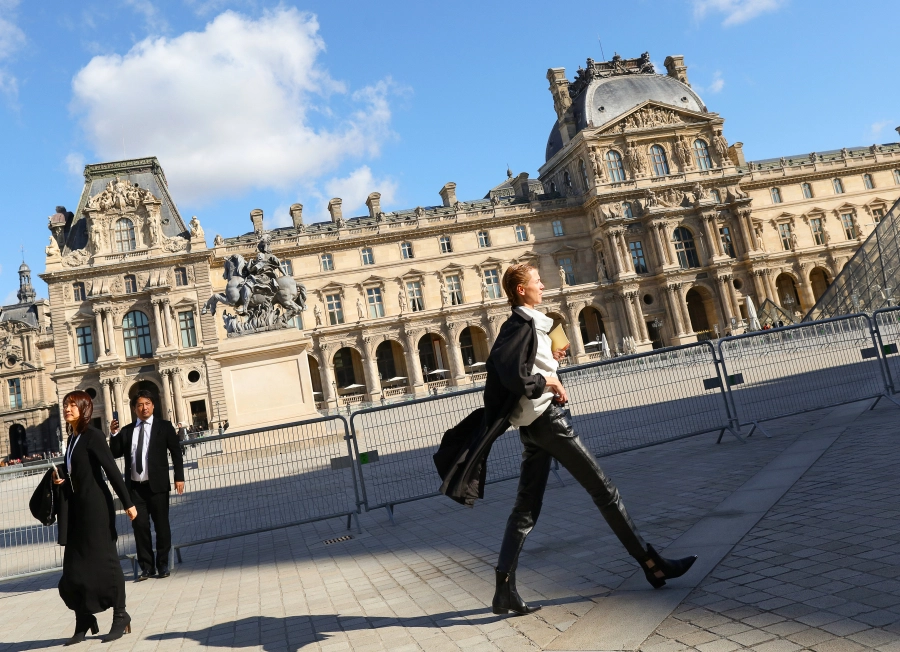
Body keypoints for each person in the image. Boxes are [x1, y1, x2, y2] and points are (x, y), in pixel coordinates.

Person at [460, 263, 697, 615]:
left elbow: (522, 365)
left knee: (525, 508)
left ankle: (503, 590)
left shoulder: (528, 324)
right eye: (537, 281)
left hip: (534, 427)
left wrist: (549, 363)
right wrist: (548, 383)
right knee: (605, 491)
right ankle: (652, 564)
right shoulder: (519, 323)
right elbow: (510, 372)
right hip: (548, 421)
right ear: (521, 290)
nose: (543, 284)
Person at [54, 390, 137, 644]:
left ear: (84, 408)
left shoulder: (94, 436)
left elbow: (111, 471)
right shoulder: (72, 439)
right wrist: (62, 481)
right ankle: (84, 617)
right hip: (78, 510)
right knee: (74, 568)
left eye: (71, 405)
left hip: (97, 509)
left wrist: (128, 503)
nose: (67, 409)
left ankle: (120, 615)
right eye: (65, 405)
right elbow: (77, 475)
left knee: (107, 562)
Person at [109, 390, 185, 581]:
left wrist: (179, 477)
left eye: (148, 403)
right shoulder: (127, 431)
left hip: (157, 485)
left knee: (161, 526)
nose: (144, 408)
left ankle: (162, 565)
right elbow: (116, 452)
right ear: (134, 408)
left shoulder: (164, 427)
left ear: (153, 405)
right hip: (135, 489)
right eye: (140, 405)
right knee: (140, 527)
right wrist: (114, 434)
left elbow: (176, 452)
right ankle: (146, 567)